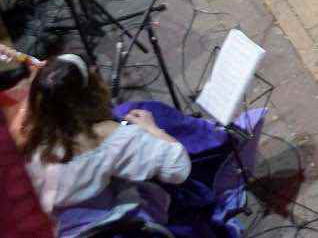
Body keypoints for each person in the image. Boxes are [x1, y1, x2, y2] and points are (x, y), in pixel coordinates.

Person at [10, 54, 190, 218]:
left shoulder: (24, 137)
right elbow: (178, 170)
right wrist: (152, 129)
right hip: (104, 223)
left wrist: (40, 88)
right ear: (90, 93)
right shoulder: (106, 136)